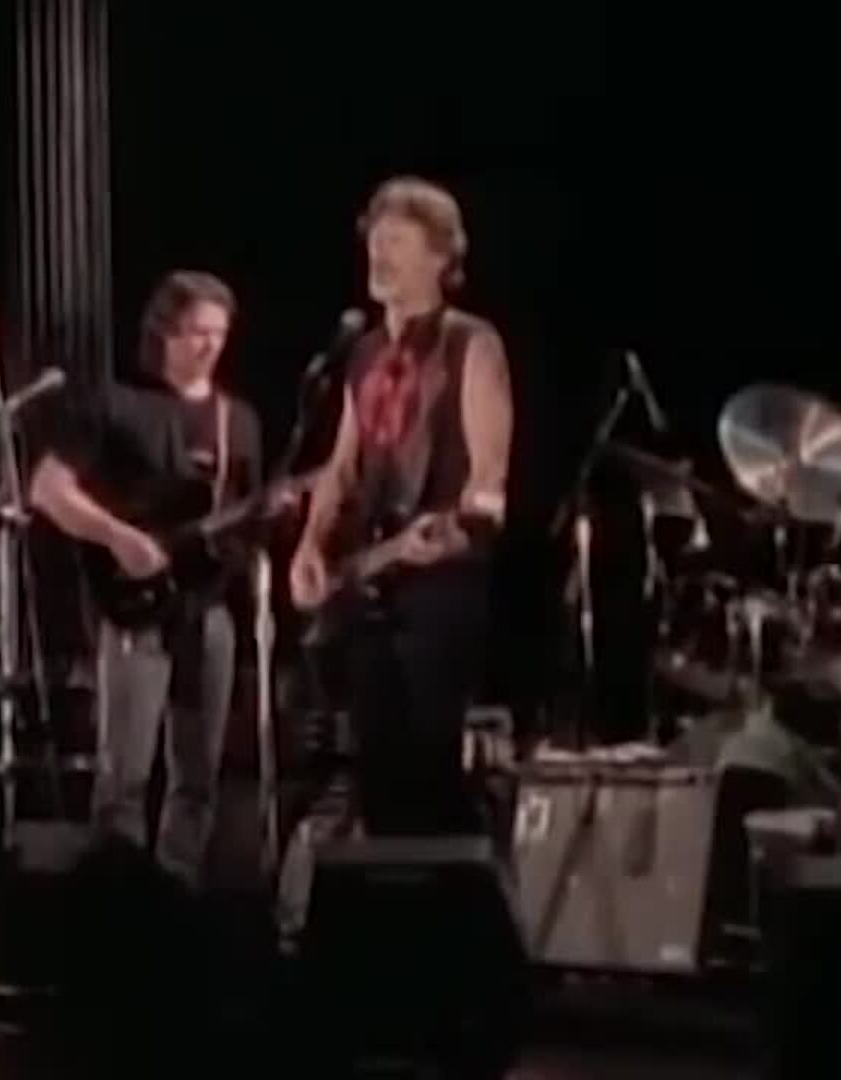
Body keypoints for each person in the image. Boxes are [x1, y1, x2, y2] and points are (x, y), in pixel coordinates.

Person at [289, 177, 512, 838]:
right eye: (376, 242)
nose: (379, 256)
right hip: (370, 579)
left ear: (441, 258)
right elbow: (342, 465)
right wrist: (310, 544)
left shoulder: (471, 342)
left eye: (398, 244)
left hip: (439, 582)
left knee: (430, 766)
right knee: (377, 769)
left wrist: (463, 524)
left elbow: (489, 475)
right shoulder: (362, 351)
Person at [28, 270, 263, 888]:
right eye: (195, 332)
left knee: (198, 778)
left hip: (208, 608)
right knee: (124, 778)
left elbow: (243, 515)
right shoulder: (116, 404)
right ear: (164, 332)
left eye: (219, 333)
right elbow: (47, 489)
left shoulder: (238, 420)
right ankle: (119, 901)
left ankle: (176, 897)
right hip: (134, 608)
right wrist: (118, 537)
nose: (209, 345)